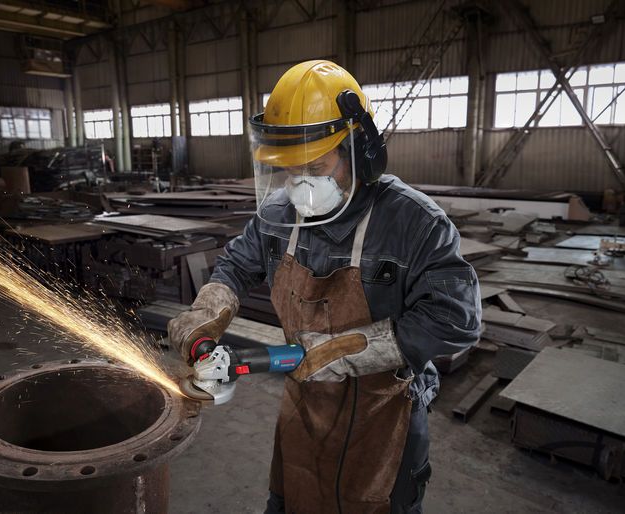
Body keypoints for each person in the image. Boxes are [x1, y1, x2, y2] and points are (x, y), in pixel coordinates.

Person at [168, 60, 482, 514]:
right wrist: (204, 319)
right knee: (293, 500)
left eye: (315, 165)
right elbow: (236, 266)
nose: (301, 184)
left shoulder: (415, 223)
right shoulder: (278, 215)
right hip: (305, 403)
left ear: (359, 149)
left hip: (385, 412)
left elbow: (457, 319)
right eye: (290, 169)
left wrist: (350, 349)